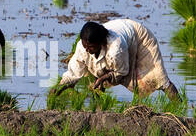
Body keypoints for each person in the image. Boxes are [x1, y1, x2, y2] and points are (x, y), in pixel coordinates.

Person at [52, 19, 181, 100]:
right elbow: (73, 74)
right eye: (85, 46)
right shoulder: (82, 48)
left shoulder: (115, 48)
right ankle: (99, 110)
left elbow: (122, 72)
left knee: (158, 77)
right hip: (123, 36)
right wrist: (58, 88)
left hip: (139, 37)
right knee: (97, 75)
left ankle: (179, 106)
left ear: (101, 42)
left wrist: (104, 78)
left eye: (90, 47)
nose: (87, 50)